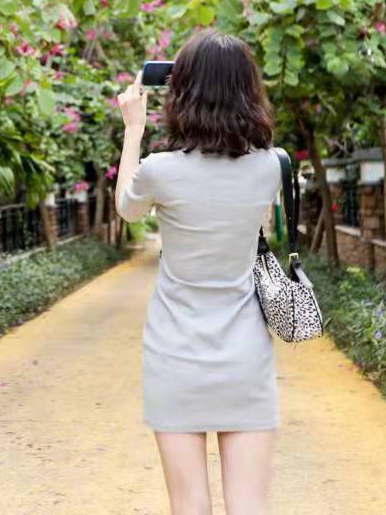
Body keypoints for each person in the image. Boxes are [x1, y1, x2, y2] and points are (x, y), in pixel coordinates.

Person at [114, 28, 280, 515]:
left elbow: (127, 208)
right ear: (249, 92)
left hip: (175, 354)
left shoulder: (161, 170)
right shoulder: (271, 166)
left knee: (188, 505)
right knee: (249, 506)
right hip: (245, 355)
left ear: (181, 90)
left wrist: (133, 132)